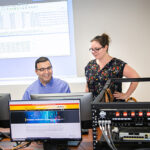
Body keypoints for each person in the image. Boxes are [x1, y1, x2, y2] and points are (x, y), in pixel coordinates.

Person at [85, 33, 140, 101]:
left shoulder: (117, 64)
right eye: (92, 49)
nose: (93, 52)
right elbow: (87, 87)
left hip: (114, 107)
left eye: (97, 49)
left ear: (105, 47)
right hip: (95, 108)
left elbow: (136, 77)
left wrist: (126, 95)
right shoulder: (90, 65)